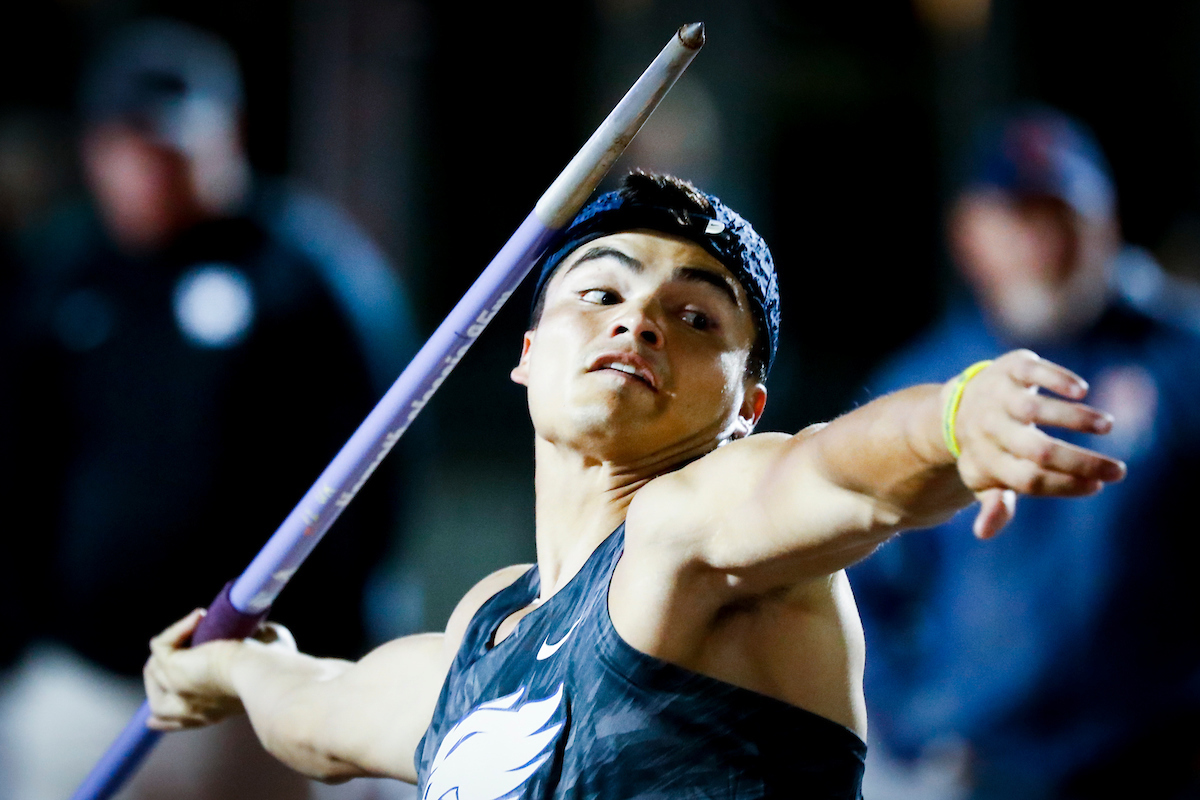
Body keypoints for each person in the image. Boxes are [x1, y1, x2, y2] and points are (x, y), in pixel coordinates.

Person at [142, 171, 1124, 799]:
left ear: (748, 405)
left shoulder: (693, 536)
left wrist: (954, 418)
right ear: (525, 355)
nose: (640, 321)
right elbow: (328, 712)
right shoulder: (490, 631)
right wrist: (227, 665)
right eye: (600, 292)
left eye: (696, 318)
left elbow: (837, 467)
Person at [0, 19, 417, 800]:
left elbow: (377, 467)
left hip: (258, 696)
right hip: (86, 682)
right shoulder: (62, 276)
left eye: (177, 148)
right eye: (134, 148)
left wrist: (330, 648)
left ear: (228, 136)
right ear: (97, 150)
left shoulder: (306, 274)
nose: (155, 172)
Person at [849, 107, 1200, 799]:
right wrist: (910, 726)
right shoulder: (921, 388)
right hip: (984, 768)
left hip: (1158, 760)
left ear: (1106, 224)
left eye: (1059, 213)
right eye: (1015, 215)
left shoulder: (1181, 360)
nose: (1038, 239)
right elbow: (857, 579)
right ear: (968, 233)